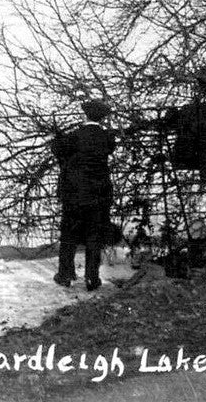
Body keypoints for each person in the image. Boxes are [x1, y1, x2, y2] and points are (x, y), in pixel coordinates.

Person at [52, 99, 117, 291]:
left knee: (69, 235)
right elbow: (109, 147)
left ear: (85, 115)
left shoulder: (75, 136)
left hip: (74, 194)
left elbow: (58, 150)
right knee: (94, 236)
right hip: (99, 195)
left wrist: (57, 137)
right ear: (103, 117)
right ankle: (92, 278)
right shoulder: (106, 138)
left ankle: (65, 275)